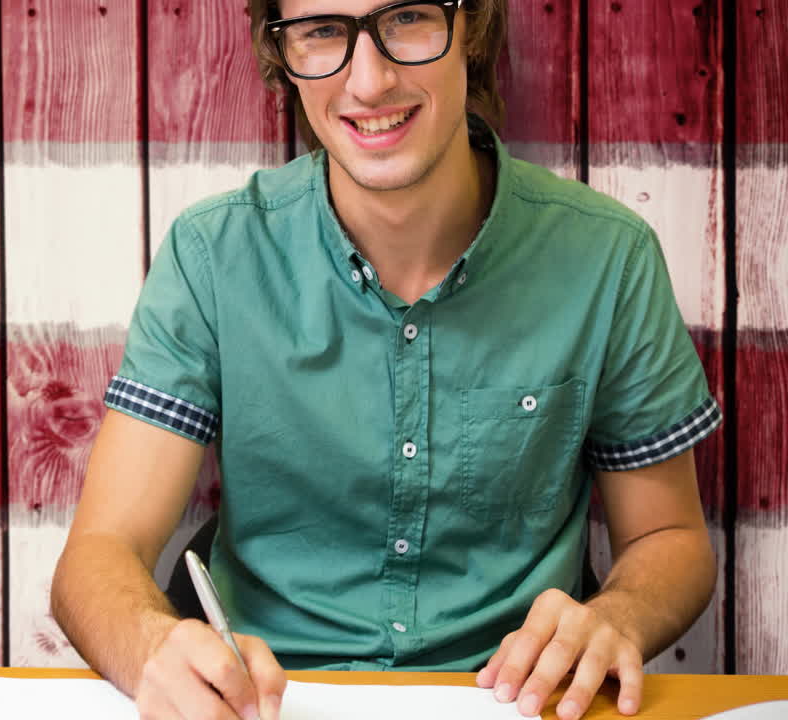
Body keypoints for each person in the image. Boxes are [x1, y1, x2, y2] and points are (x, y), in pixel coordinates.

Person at [50, 1, 721, 719]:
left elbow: (668, 537)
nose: (367, 82)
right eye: (321, 32)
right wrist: (151, 646)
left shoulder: (607, 260)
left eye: (406, 18)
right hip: (267, 705)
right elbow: (99, 554)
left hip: (516, 702)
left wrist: (619, 614)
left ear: (475, 27)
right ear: (283, 55)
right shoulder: (211, 257)